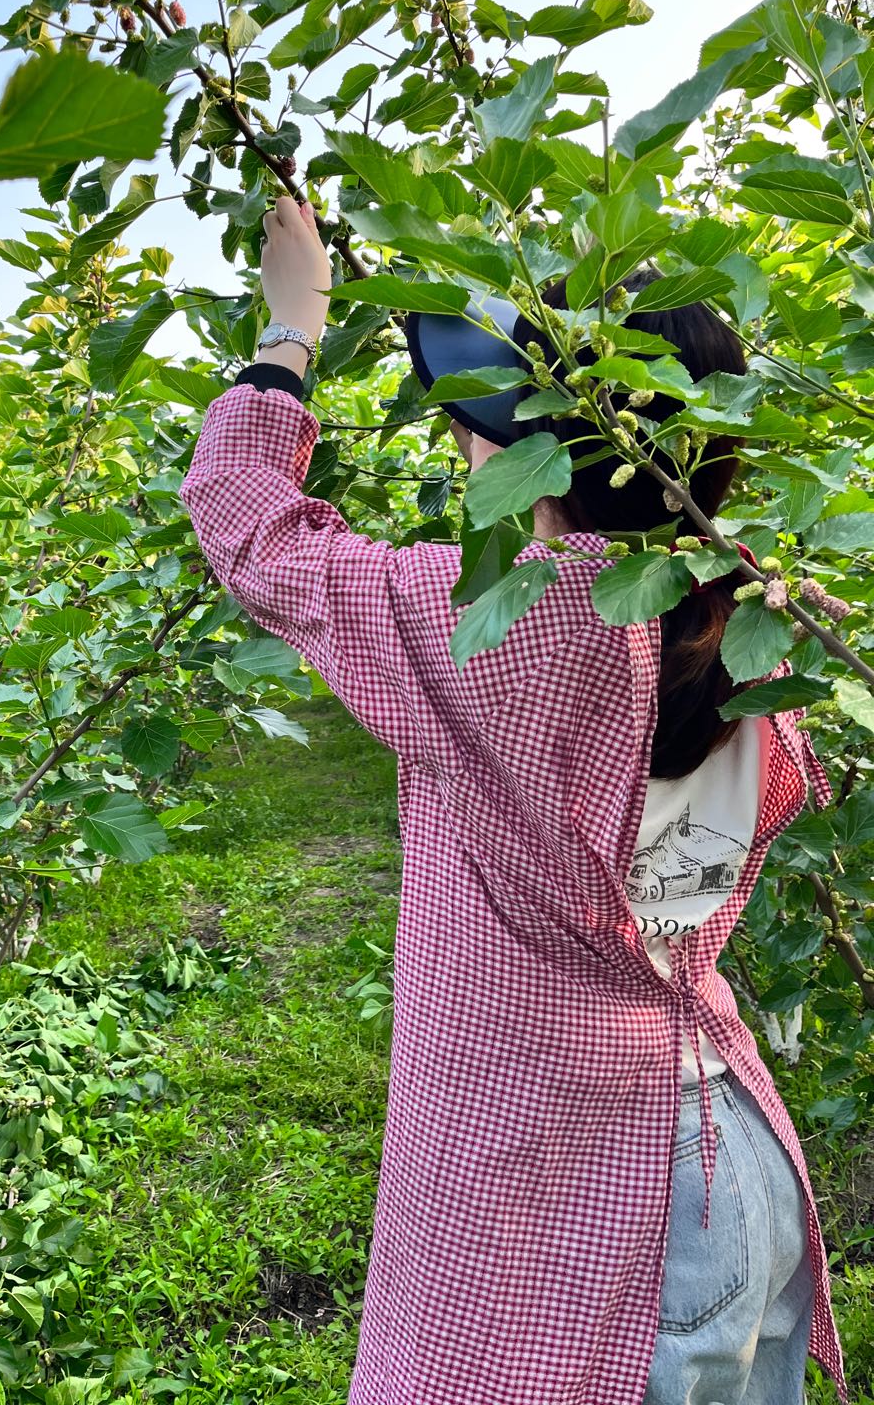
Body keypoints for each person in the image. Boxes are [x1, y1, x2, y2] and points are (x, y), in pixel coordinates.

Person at [177, 195, 847, 1405]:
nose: (468, 440)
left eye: (495, 414)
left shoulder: (518, 631)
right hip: (735, 1159)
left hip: (591, 1200)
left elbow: (247, 523)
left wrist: (291, 333)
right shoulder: (754, 628)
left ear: (549, 440)